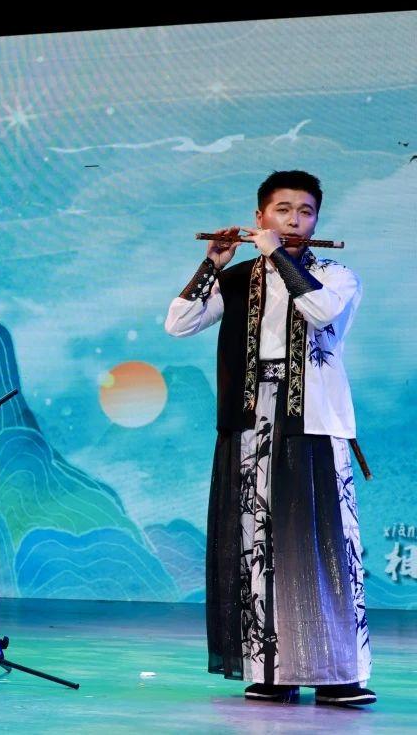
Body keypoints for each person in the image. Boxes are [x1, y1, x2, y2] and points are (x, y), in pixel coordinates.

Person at [165, 170, 373, 706]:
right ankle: (271, 670)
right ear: (260, 217)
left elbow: (319, 311)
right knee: (258, 544)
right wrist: (212, 265)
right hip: (251, 419)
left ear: (316, 219)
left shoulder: (335, 275)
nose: (295, 220)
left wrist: (278, 255)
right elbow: (179, 323)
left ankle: (339, 673)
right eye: (282, 210)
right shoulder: (237, 280)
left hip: (314, 421)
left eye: (305, 211)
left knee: (323, 546)